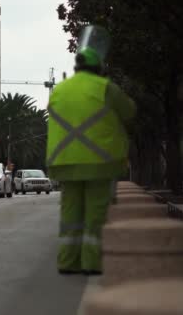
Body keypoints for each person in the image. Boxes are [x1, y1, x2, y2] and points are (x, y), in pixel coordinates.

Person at [46, 25, 136, 275]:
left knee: (70, 214)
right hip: (100, 161)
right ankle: (91, 263)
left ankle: (67, 261)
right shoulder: (105, 87)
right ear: (100, 67)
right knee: (95, 214)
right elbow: (129, 112)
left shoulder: (60, 89)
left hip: (64, 161)